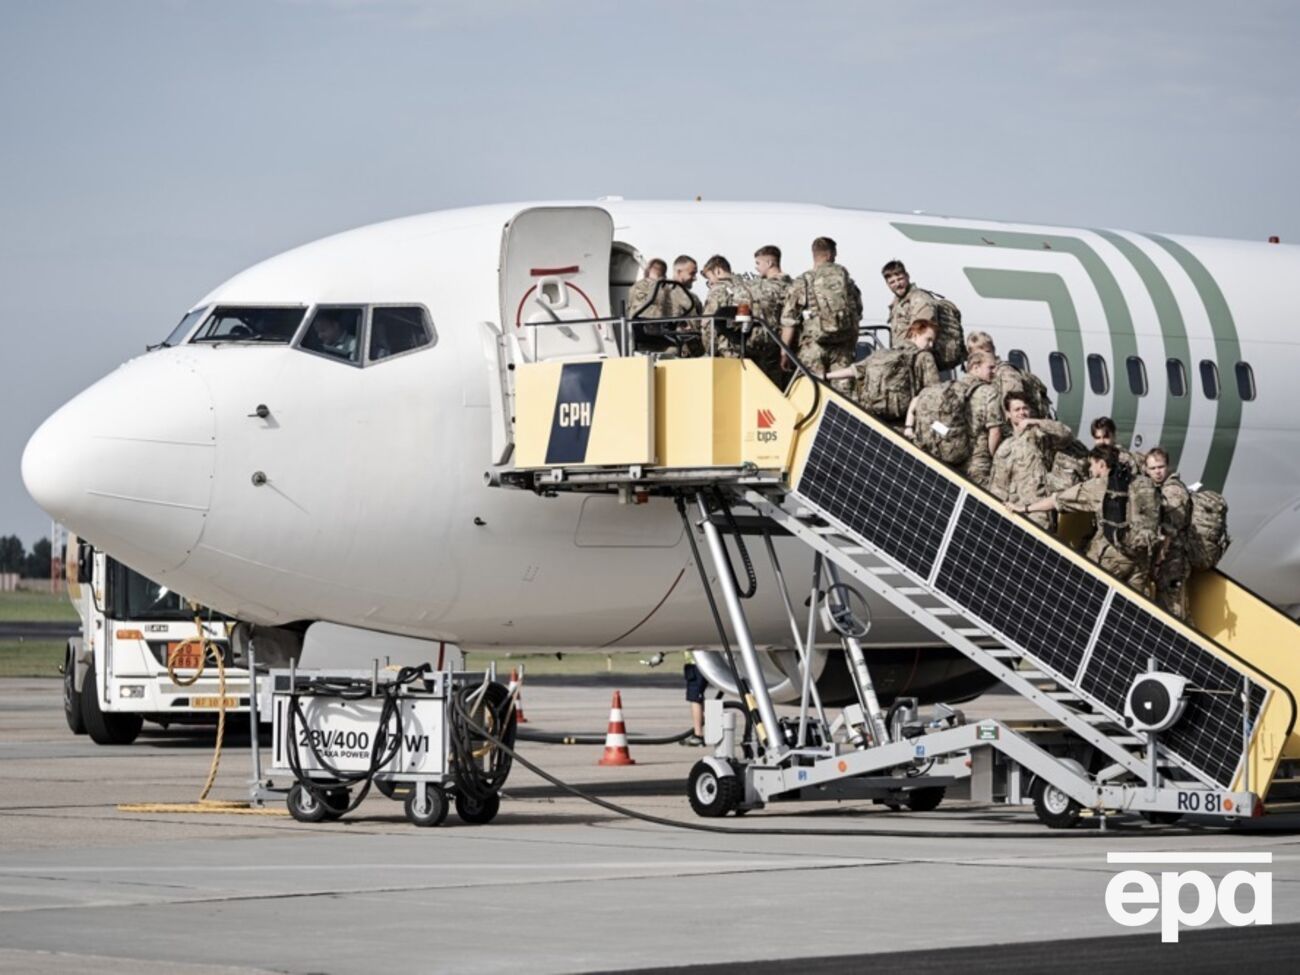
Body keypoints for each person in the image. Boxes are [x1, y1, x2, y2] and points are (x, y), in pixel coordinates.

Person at [1011, 445, 1151, 592]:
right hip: (1141, 560)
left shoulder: (1097, 486)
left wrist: (1025, 508)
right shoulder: (1143, 482)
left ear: (1101, 464)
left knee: (1085, 592)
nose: (1090, 469)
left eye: (1091, 464)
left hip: (1112, 556)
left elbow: (1057, 501)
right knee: (1131, 603)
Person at [780, 237, 863, 396]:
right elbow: (858, 310)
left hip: (813, 347)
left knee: (812, 392)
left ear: (814, 254)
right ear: (831, 254)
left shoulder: (803, 280)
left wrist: (784, 352)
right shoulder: (846, 280)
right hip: (842, 347)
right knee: (843, 396)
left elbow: (789, 320)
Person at [989, 391, 1075, 531]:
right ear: (1008, 414)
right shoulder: (1004, 447)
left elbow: (1066, 434)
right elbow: (998, 486)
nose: (1022, 412)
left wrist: (1035, 422)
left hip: (1038, 512)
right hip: (1013, 512)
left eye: (1025, 408)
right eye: (1017, 409)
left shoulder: (1041, 435)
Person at [1145, 447, 1193, 620]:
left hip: (1173, 562)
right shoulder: (1158, 488)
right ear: (1146, 470)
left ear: (1168, 466)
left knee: (1172, 611)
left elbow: (1169, 532)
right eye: (1153, 468)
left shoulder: (1173, 491)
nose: (1157, 472)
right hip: (1167, 561)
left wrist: (1158, 562)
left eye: (1161, 467)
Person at [953, 350, 1004, 488]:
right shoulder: (988, 391)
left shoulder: (953, 388)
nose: (994, 372)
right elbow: (995, 432)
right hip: (978, 462)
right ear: (975, 367)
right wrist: (994, 458)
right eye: (990, 367)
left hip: (954, 457)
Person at [699, 255, 758, 358]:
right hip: (747, 347)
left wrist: (709, 351)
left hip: (725, 349)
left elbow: (708, 323)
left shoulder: (718, 289)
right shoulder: (748, 286)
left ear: (718, 271)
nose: (710, 283)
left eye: (709, 278)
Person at [749, 245, 792, 386]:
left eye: (758, 263)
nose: (756, 268)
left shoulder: (763, 288)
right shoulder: (793, 285)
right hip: (789, 346)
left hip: (769, 348)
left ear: (769, 263)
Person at [882, 259, 937, 346]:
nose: (897, 284)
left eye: (900, 279)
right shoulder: (897, 304)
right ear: (887, 284)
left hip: (918, 352)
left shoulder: (920, 299)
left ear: (907, 276)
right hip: (903, 352)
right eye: (892, 282)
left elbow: (922, 339)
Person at [681, 650, 706, 747]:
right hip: (700, 664)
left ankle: (698, 735)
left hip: (696, 664)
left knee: (695, 699)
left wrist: (661, 654)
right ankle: (698, 732)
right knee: (698, 698)